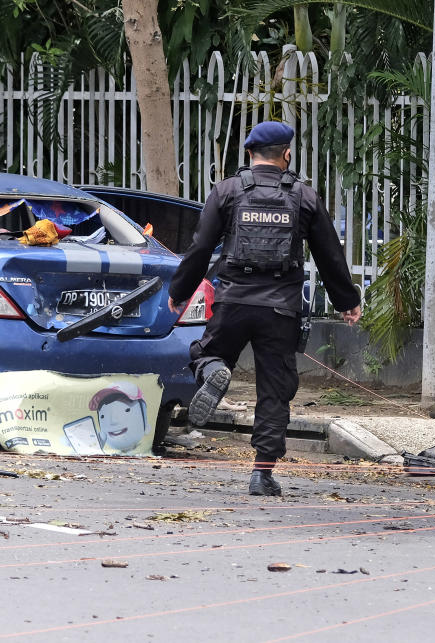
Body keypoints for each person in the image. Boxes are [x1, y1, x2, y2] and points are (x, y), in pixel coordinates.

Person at [168, 121, 361, 496]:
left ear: (249, 154)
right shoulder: (303, 196)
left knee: (206, 353)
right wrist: (347, 301)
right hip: (279, 310)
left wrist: (180, 290)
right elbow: (328, 253)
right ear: (286, 154)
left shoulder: (226, 190)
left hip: (233, 301)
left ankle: (214, 370)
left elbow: (201, 247)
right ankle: (262, 473)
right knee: (275, 389)